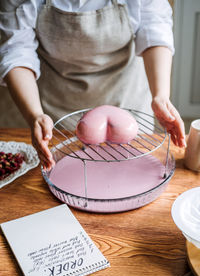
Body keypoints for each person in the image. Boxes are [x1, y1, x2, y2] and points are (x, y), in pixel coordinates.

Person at [0, 0, 186, 170]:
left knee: (128, 168)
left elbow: (154, 27)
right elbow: (16, 50)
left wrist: (160, 95)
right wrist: (36, 115)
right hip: (56, 104)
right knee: (68, 170)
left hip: (126, 95)